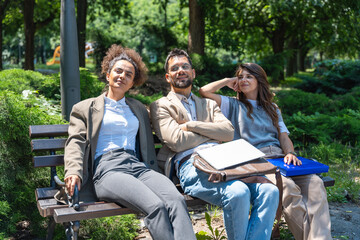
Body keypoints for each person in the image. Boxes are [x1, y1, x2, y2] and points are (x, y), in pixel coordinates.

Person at [64, 44, 196, 240]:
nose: (122, 76)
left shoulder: (138, 108)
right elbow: (75, 141)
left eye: (128, 74)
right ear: (108, 74)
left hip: (138, 167)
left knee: (176, 200)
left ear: (133, 82)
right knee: (156, 206)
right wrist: (73, 171)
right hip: (108, 170)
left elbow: (166, 119)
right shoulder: (85, 108)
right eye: (118, 71)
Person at [150, 49, 279, 240]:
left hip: (224, 160)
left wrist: (191, 126)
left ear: (193, 73)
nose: (181, 70)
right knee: (238, 192)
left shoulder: (208, 105)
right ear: (168, 77)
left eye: (185, 66)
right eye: (175, 68)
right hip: (191, 164)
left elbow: (227, 133)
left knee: (270, 191)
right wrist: (211, 134)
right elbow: (177, 142)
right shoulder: (161, 105)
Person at [199, 62, 332, 240]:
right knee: (288, 188)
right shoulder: (231, 105)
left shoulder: (273, 109)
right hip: (257, 163)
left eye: (249, 76)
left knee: (316, 184)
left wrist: (290, 153)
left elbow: (284, 137)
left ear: (259, 80)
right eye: (241, 77)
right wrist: (228, 80)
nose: (243, 80)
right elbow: (204, 91)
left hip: (281, 160)